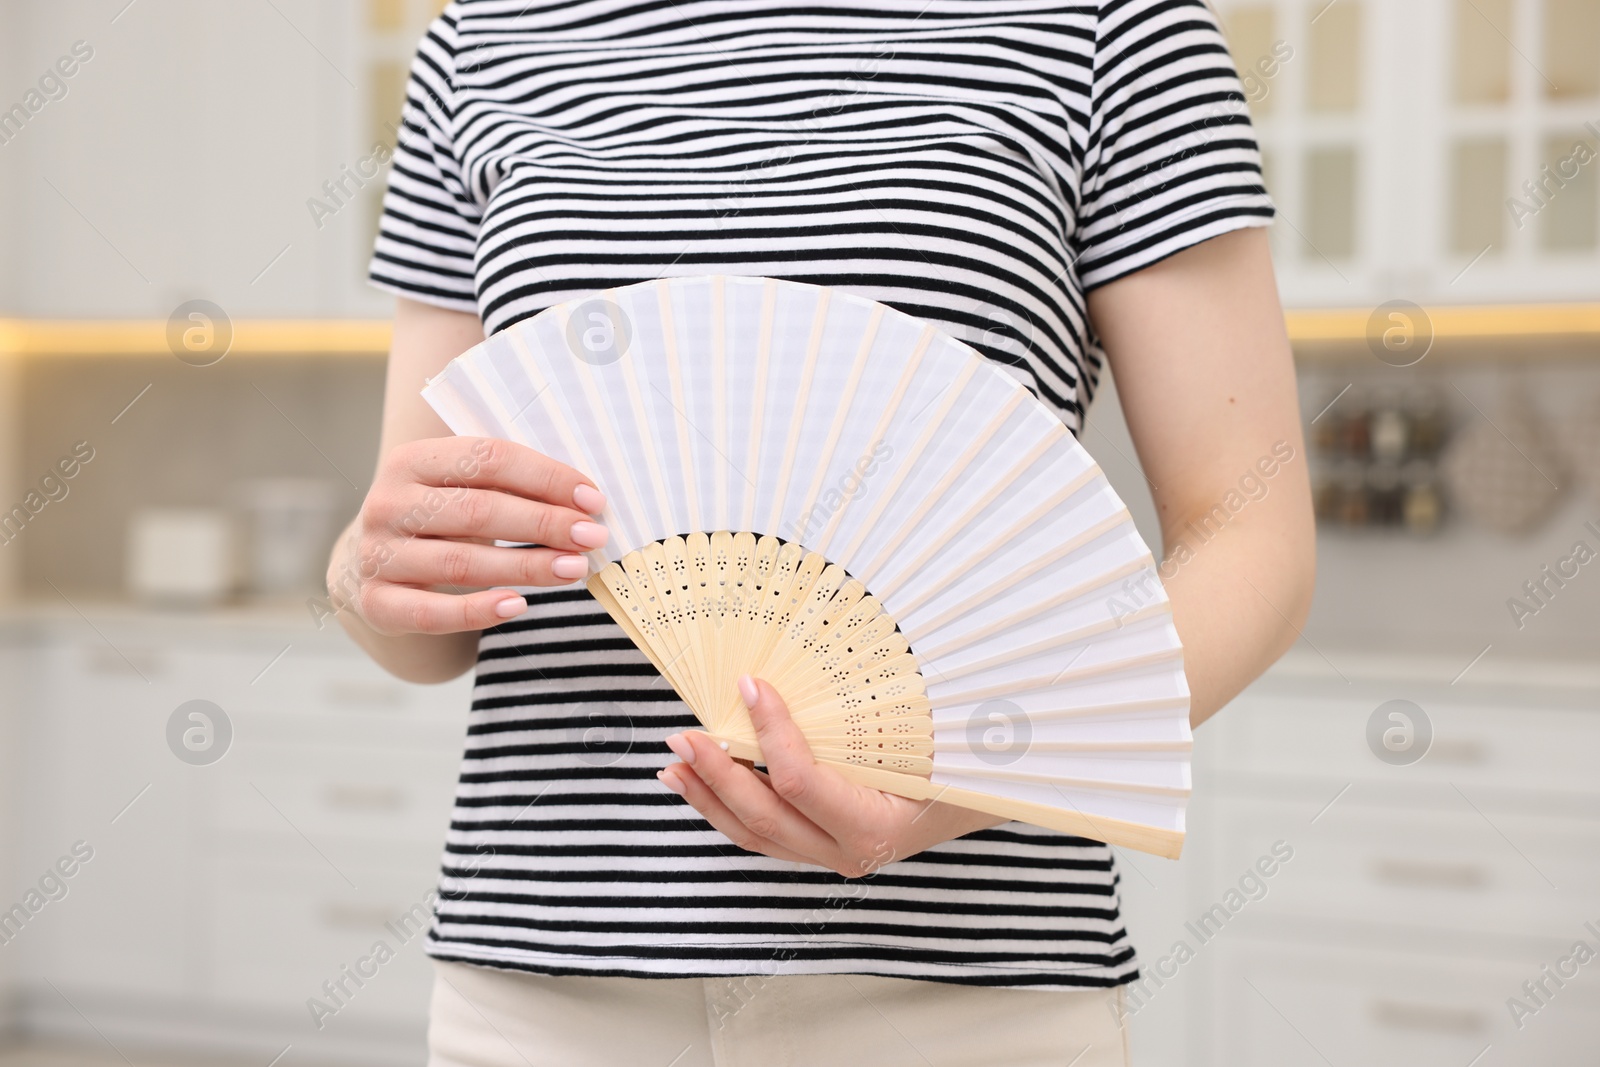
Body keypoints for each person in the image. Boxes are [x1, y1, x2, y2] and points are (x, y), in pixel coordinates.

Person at [328, 1, 1315, 1063]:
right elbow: (430, 590)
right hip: (540, 983)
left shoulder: (1110, 25)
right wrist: (361, 573)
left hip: (961, 989)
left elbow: (1248, 532)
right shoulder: (482, 37)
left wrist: (946, 784)